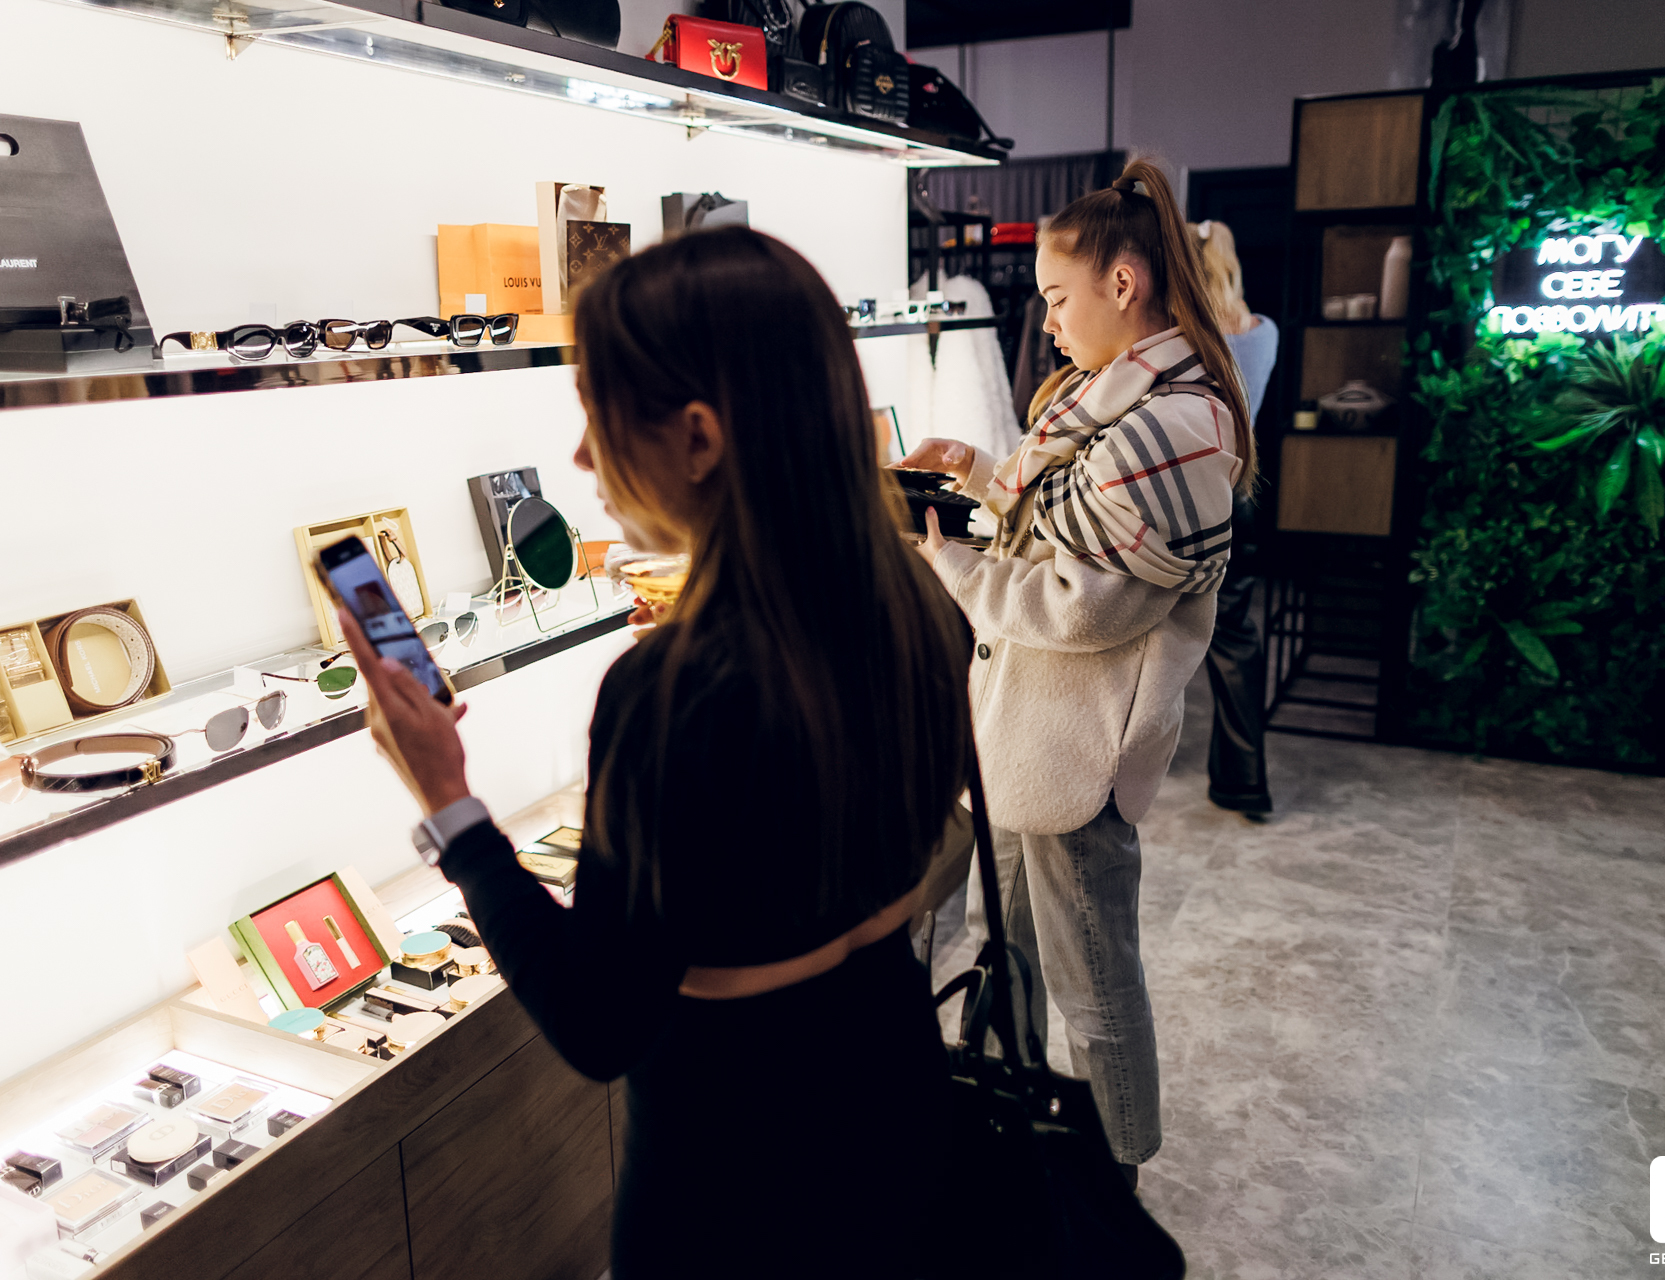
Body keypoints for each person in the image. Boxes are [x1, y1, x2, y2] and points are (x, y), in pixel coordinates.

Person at [338, 228, 973, 1278]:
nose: (582, 459)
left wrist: (448, 801)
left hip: (733, 1182)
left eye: (595, 413)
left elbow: (597, 1021)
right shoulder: (918, 606)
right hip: (896, 1107)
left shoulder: (678, 690)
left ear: (698, 436)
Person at [900, 157, 1255, 1187]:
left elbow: (1083, 605)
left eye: (1058, 297)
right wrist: (975, 472)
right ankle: (1017, 1133)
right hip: (1027, 735)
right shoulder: (1107, 402)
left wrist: (955, 565)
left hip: (1078, 752)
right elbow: (1058, 518)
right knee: (1007, 952)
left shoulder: (1174, 428)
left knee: (1094, 985)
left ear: (1124, 284)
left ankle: (1114, 1182)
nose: (1049, 321)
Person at [1190, 218, 1277, 818]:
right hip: (1245, 490)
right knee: (1236, 635)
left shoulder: (1187, 338)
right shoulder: (1264, 332)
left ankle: (1115, 771)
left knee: (1143, 626)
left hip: (1195, 491)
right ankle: (1244, 781)